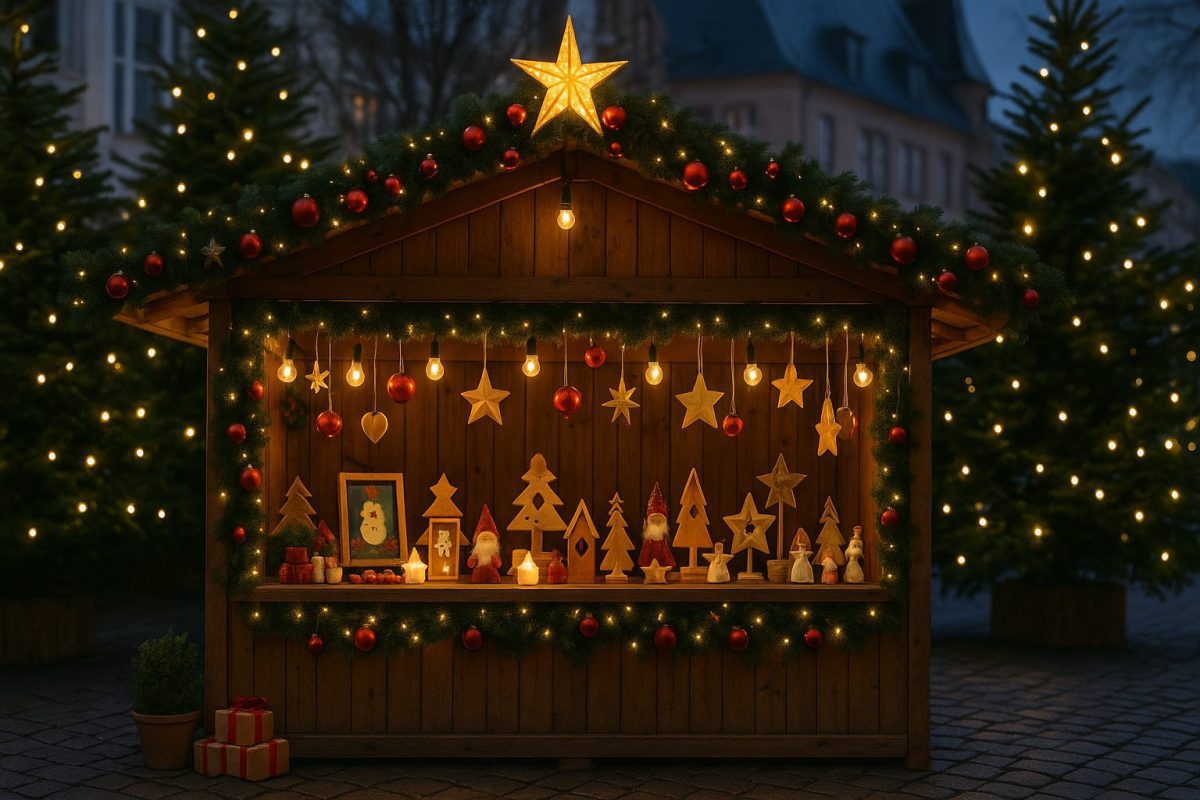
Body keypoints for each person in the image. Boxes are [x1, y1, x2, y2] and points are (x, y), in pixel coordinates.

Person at [637, 482, 677, 570]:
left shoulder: (663, 541)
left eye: (659, 521)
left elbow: (665, 552)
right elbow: (645, 553)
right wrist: (643, 563)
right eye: (653, 520)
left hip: (661, 568)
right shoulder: (648, 541)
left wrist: (669, 564)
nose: (656, 523)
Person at [467, 505, 502, 583]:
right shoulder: (477, 553)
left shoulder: (494, 554)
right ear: (478, 541)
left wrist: (495, 558)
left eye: (490, 539)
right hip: (478, 573)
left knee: (494, 579)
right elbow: (470, 565)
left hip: (492, 574)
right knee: (476, 578)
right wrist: (473, 558)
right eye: (484, 539)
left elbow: (498, 565)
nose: (487, 541)